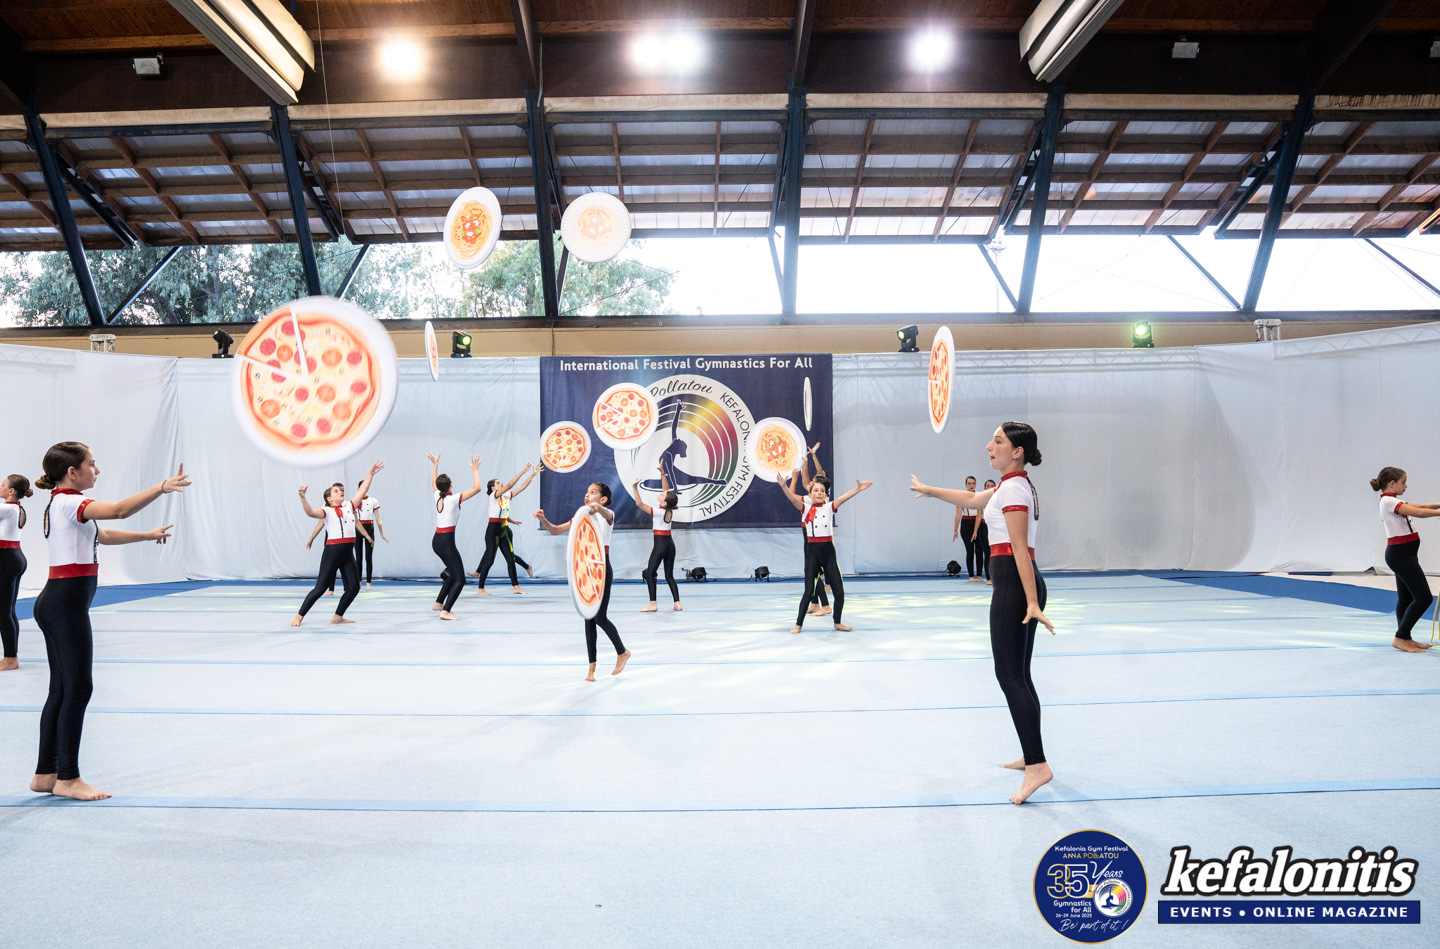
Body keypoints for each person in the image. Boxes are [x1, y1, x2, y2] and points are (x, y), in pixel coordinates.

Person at [29, 441, 188, 802]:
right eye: (91, 464)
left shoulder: (62, 504)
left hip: (58, 602)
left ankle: (45, 773)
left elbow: (102, 535)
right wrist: (161, 487)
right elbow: (118, 511)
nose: (97, 470)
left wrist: (146, 536)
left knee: (62, 689)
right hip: (65, 604)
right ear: (72, 472)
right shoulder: (71, 502)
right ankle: (68, 778)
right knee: (78, 688)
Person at [912, 422, 1055, 805]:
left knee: (1008, 675)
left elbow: (1019, 548)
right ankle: (1031, 753)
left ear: (1017, 451)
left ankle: (1038, 765)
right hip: (1017, 584)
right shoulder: (1012, 485)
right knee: (1020, 675)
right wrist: (930, 490)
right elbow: (972, 500)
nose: (989, 445)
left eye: (998, 441)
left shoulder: (1013, 489)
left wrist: (1031, 602)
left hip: (1015, 585)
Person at [536, 483, 631, 681]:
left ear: (603, 499)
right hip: (586, 571)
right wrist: (543, 519)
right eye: (587, 492)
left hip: (602, 569)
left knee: (600, 618)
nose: (587, 495)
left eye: (593, 492)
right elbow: (555, 530)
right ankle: (592, 666)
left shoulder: (607, 516)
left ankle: (622, 652)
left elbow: (607, 513)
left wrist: (598, 508)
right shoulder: (581, 519)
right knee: (588, 618)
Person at [777, 473, 873, 634]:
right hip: (812, 555)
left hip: (828, 555)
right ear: (810, 495)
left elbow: (843, 498)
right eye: (815, 490)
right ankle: (798, 625)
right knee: (808, 592)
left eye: (822, 491)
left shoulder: (829, 508)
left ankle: (837, 622)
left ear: (826, 494)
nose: (819, 493)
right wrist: (783, 486)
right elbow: (792, 499)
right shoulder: (805, 509)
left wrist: (857, 489)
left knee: (839, 592)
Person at [291, 461, 382, 627]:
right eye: (336, 491)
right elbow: (310, 512)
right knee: (320, 588)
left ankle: (338, 616)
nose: (340, 491)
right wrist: (303, 497)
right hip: (332, 552)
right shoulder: (326, 511)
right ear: (329, 498)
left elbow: (362, 490)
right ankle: (299, 615)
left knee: (353, 587)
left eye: (341, 490)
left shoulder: (349, 506)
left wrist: (371, 474)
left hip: (347, 553)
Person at [1371, 466, 1440, 653]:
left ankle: (1405, 637)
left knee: (1406, 597)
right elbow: (1420, 513)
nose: (1406, 486)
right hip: (1400, 555)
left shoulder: (1393, 500)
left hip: (1405, 554)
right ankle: (1400, 637)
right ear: (1392, 483)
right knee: (1424, 598)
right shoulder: (1388, 501)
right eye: (1403, 482)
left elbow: (1421, 507)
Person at [429, 453, 483, 619]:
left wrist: (435, 465)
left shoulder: (437, 495)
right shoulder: (452, 499)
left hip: (438, 541)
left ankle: (439, 603)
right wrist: (475, 470)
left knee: (453, 573)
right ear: (450, 485)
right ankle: (445, 612)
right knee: (460, 579)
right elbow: (477, 489)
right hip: (446, 543)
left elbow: (434, 483)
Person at [473, 464, 534, 596]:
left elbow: (522, 487)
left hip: (503, 530)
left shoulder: (506, 496)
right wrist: (522, 471)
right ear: (493, 488)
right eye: (498, 483)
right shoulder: (494, 495)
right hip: (492, 531)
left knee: (510, 558)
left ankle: (516, 587)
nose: (501, 483)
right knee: (490, 559)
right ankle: (480, 588)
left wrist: (533, 475)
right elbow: (510, 485)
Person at [631, 465, 682, 612]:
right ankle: (677, 603)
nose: (661, 493)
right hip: (670, 545)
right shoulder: (669, 508)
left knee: (650, 574)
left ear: (664, 503)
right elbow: (666, 490)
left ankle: (653, 604)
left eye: (662, 495)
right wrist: (663, 473)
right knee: (669, 576)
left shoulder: (659, 512)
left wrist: (635, 488)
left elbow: (639, 504)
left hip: (660, 546)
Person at [0, 474, 33, 671]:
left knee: (3, 612)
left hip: (6, 559)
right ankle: (11, 655)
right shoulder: (17, 509)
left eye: (3, 484)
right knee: (8, 610)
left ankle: (10, 658)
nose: (0, 486)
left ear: (11, 491)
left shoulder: (7, 509)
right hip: (14, 557)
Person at [354, 481, 384, 587]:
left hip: (369, 528)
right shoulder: (355, 501)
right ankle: (358, 580)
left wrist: (381, 532)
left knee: (369, 556)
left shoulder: (373, 501)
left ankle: (368, 581)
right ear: (358, 489)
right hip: (358, 528)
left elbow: (378, 518)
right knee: (358, 557)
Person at [952, 475, 982, 582]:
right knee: (970, 551)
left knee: (979, 551)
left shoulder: (979, 496)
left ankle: (979, 575)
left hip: (977, 523)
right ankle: (971, 576)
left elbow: (979, 514)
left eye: (973, 483)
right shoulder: (961, 497)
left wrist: (976, 530)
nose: (971, 486)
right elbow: (958, 514)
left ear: (976, 484)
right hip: (966, 524)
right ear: (965, 485)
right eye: (969, 484)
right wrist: (955, 530)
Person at [975, 478, 996, 584]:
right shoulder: (982, 499)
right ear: (984, 488)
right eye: (988, 486)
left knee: (995, 552)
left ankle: (995, 575)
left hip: (995, 527)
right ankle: (988, 577)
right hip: (984, 526)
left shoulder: (997, 498)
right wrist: (975, 531)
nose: (990, 488)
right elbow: (979, 515)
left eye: (992, 486)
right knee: (987, 552)